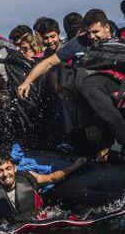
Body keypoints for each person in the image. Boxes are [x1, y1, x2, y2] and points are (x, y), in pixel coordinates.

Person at [18, 9, 125, 158]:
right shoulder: (80, 43)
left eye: (96, 32)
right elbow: (48, 63)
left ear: (107, 28)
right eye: (89, 33)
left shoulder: (119, 43)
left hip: (117, 90)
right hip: (92, 103)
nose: (92, 37)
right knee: (82, 79)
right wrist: (27, 81)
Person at [0, 152, 87, 226]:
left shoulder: (28, 177)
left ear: (15, 168)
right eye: (0, 171)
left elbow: (52, 178)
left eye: (8, 168)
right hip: (15, 233)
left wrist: (74, 167)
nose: (5, 174)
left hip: (41, 220)